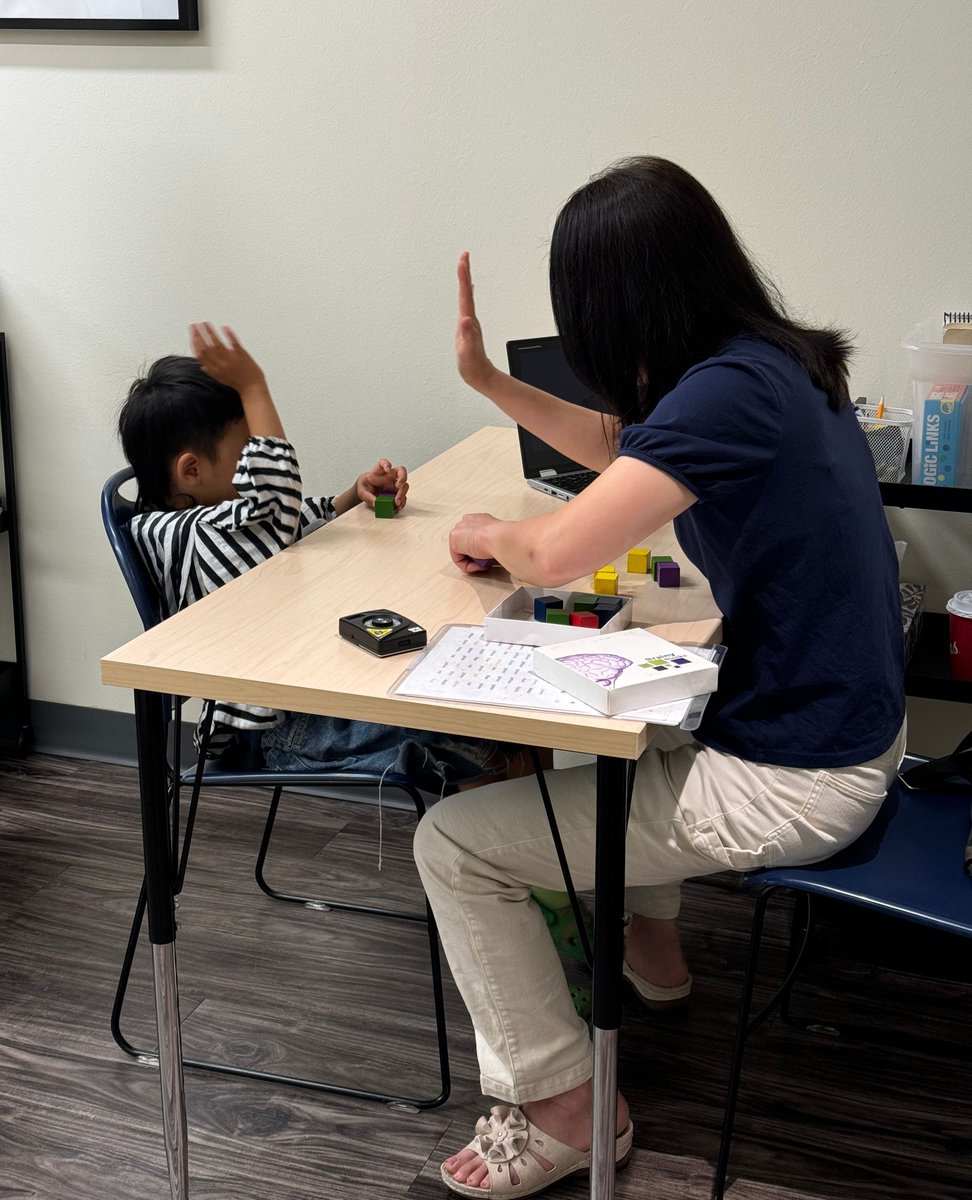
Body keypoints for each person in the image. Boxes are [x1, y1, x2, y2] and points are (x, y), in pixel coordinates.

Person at [413, 157, 906, 1198]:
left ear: (621, 303)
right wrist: (490, 384)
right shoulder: (769, 363)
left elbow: (551, 556)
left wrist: (487, 531)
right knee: (634, 712)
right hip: (840, 724)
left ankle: (567, 1107)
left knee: (456, 844)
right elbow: (618, 446)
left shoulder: (727, 390)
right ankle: (657, 962)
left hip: (797, 771)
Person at [117, 322, 517, 790]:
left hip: (306, 697)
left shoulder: (217, 519)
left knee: (500, 719)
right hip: (276, 733)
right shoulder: (187, 535)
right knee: (488, 738)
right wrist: (253, 385)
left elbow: (282, 521)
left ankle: (515, 849)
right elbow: (274, 499)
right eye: (244, 453)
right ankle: (492, 852)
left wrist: (351, 496)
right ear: (191, 469)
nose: (251, 467)